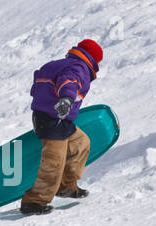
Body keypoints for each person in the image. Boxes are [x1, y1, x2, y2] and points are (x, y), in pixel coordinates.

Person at [20, 39, 102, 215]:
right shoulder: (78, 68)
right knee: (54, 163)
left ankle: (66, 186)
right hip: (52, 121)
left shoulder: (57, 64)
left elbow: (38, 85)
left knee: (81, 143)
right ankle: (34, 201)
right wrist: (66, 99)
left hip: (57, 119)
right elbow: (69, 82)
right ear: (93, 60)